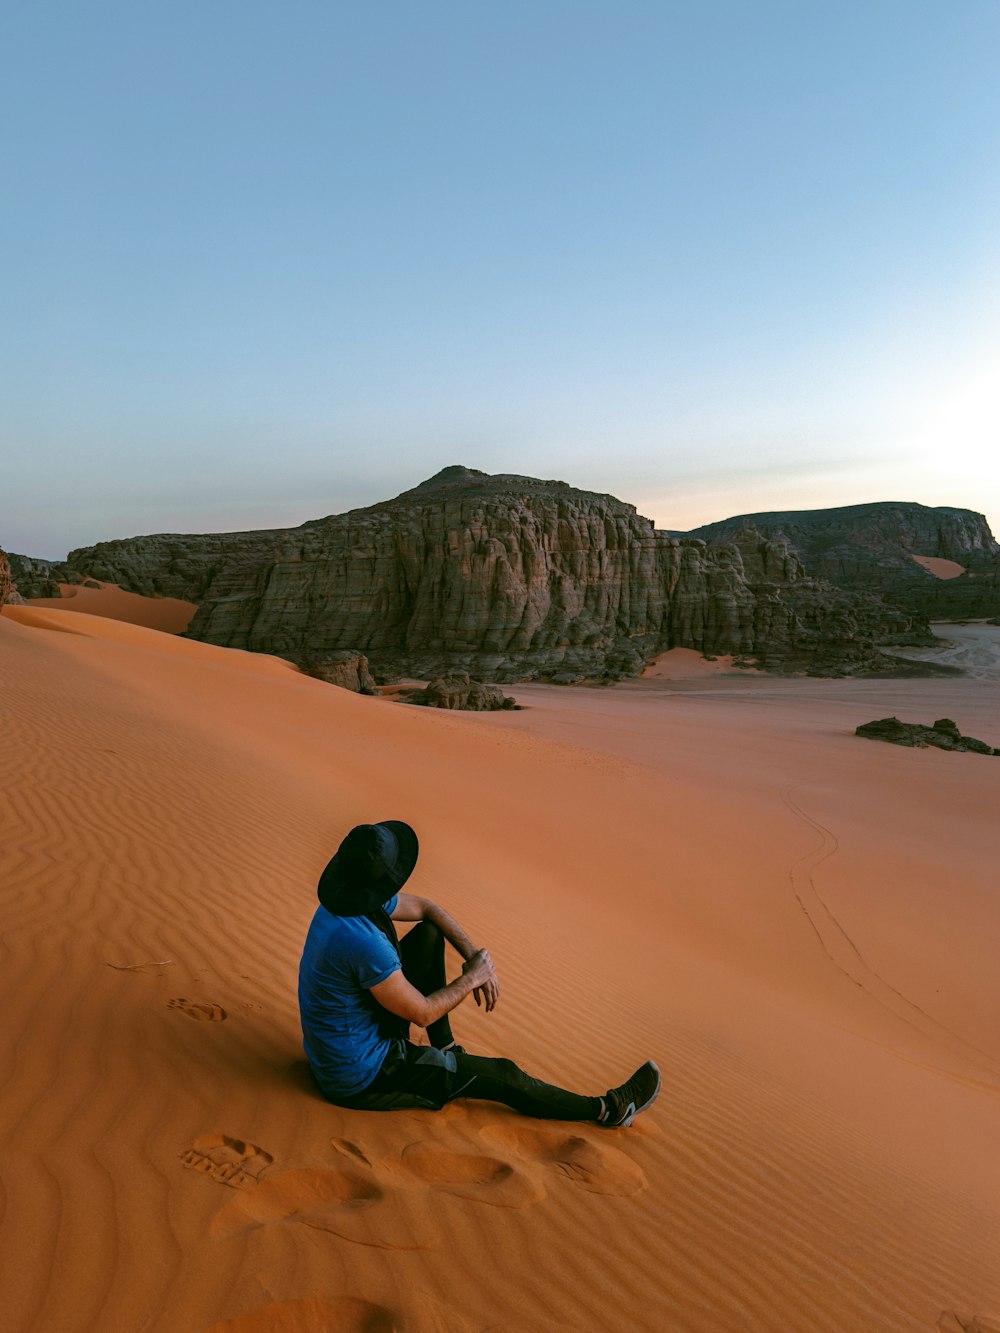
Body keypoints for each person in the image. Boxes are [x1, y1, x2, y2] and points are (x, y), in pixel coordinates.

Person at [298, 820, 660, 1126]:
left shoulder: (343, 901)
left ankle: (447, 1047)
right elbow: (422, 1011)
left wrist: (473, 956)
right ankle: (608, 1109)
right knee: (504, 1075)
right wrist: (472, 977)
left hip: (345, 1040)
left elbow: (426, 908)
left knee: (427, 935)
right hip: (363, 1075)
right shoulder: (363, 942)